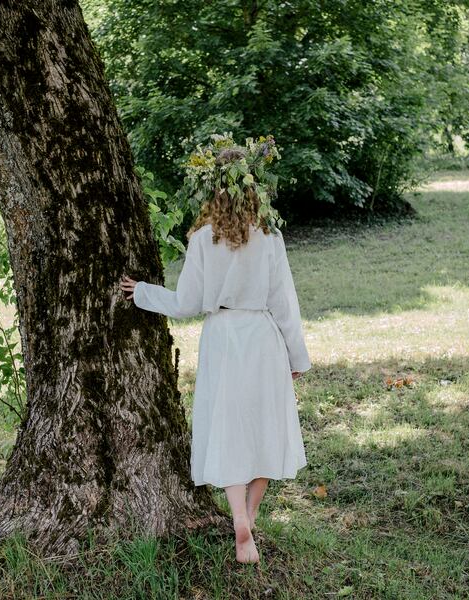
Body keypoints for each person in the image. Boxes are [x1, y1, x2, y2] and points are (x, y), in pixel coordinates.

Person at [119, 144, 311, 565]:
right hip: (262, 337)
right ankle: (251, 519)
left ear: (211, 188)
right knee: (266, 428)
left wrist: (144, 293)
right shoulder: (271, 235)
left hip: (223, 338)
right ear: (251, 184)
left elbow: (187, 302)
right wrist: (297, 357)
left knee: (227, 430)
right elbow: (284, 302)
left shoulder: (203, 239)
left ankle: (239, 516)